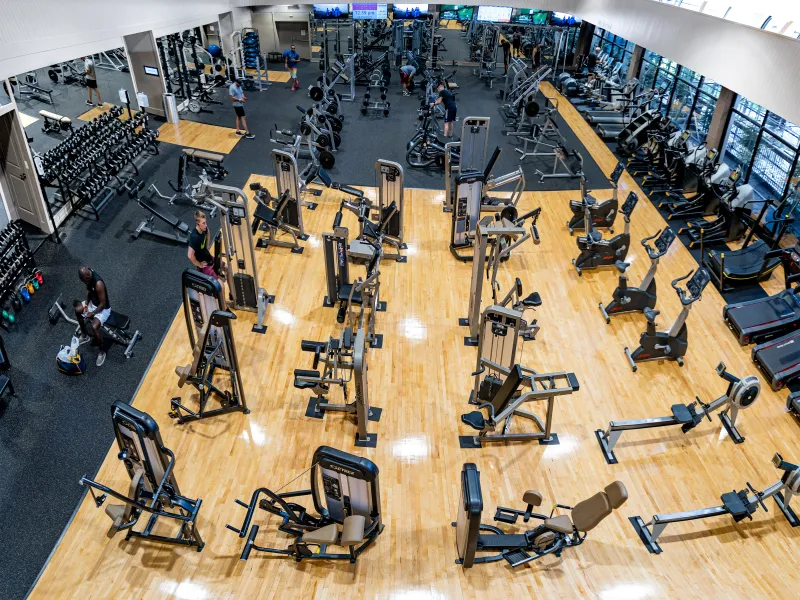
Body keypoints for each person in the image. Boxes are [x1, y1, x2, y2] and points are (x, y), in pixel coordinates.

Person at [75, 266, 111, 367]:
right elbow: (88, 289)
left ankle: (101, 352)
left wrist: (93, 313)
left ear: (87, 276)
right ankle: (84, 335)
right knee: (78, 309)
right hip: (93, 304)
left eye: (84, 281)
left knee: (94, 326)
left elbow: (103, 304)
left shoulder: (98, 284)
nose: (84, 283)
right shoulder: (87, 277)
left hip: (103, 309)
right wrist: (86, 304)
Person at [188, 211, 226, 281]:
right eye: (203, 223)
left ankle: (231, 292)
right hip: (205, 266)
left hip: (210, 258)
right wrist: (199, 264)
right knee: (220, 286)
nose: (206, 225)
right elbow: (190, 255)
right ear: (198, 223)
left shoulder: (204, 229)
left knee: (226, 267)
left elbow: (208, 233)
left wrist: (207, 245)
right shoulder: (195, 237)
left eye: (205, 222)